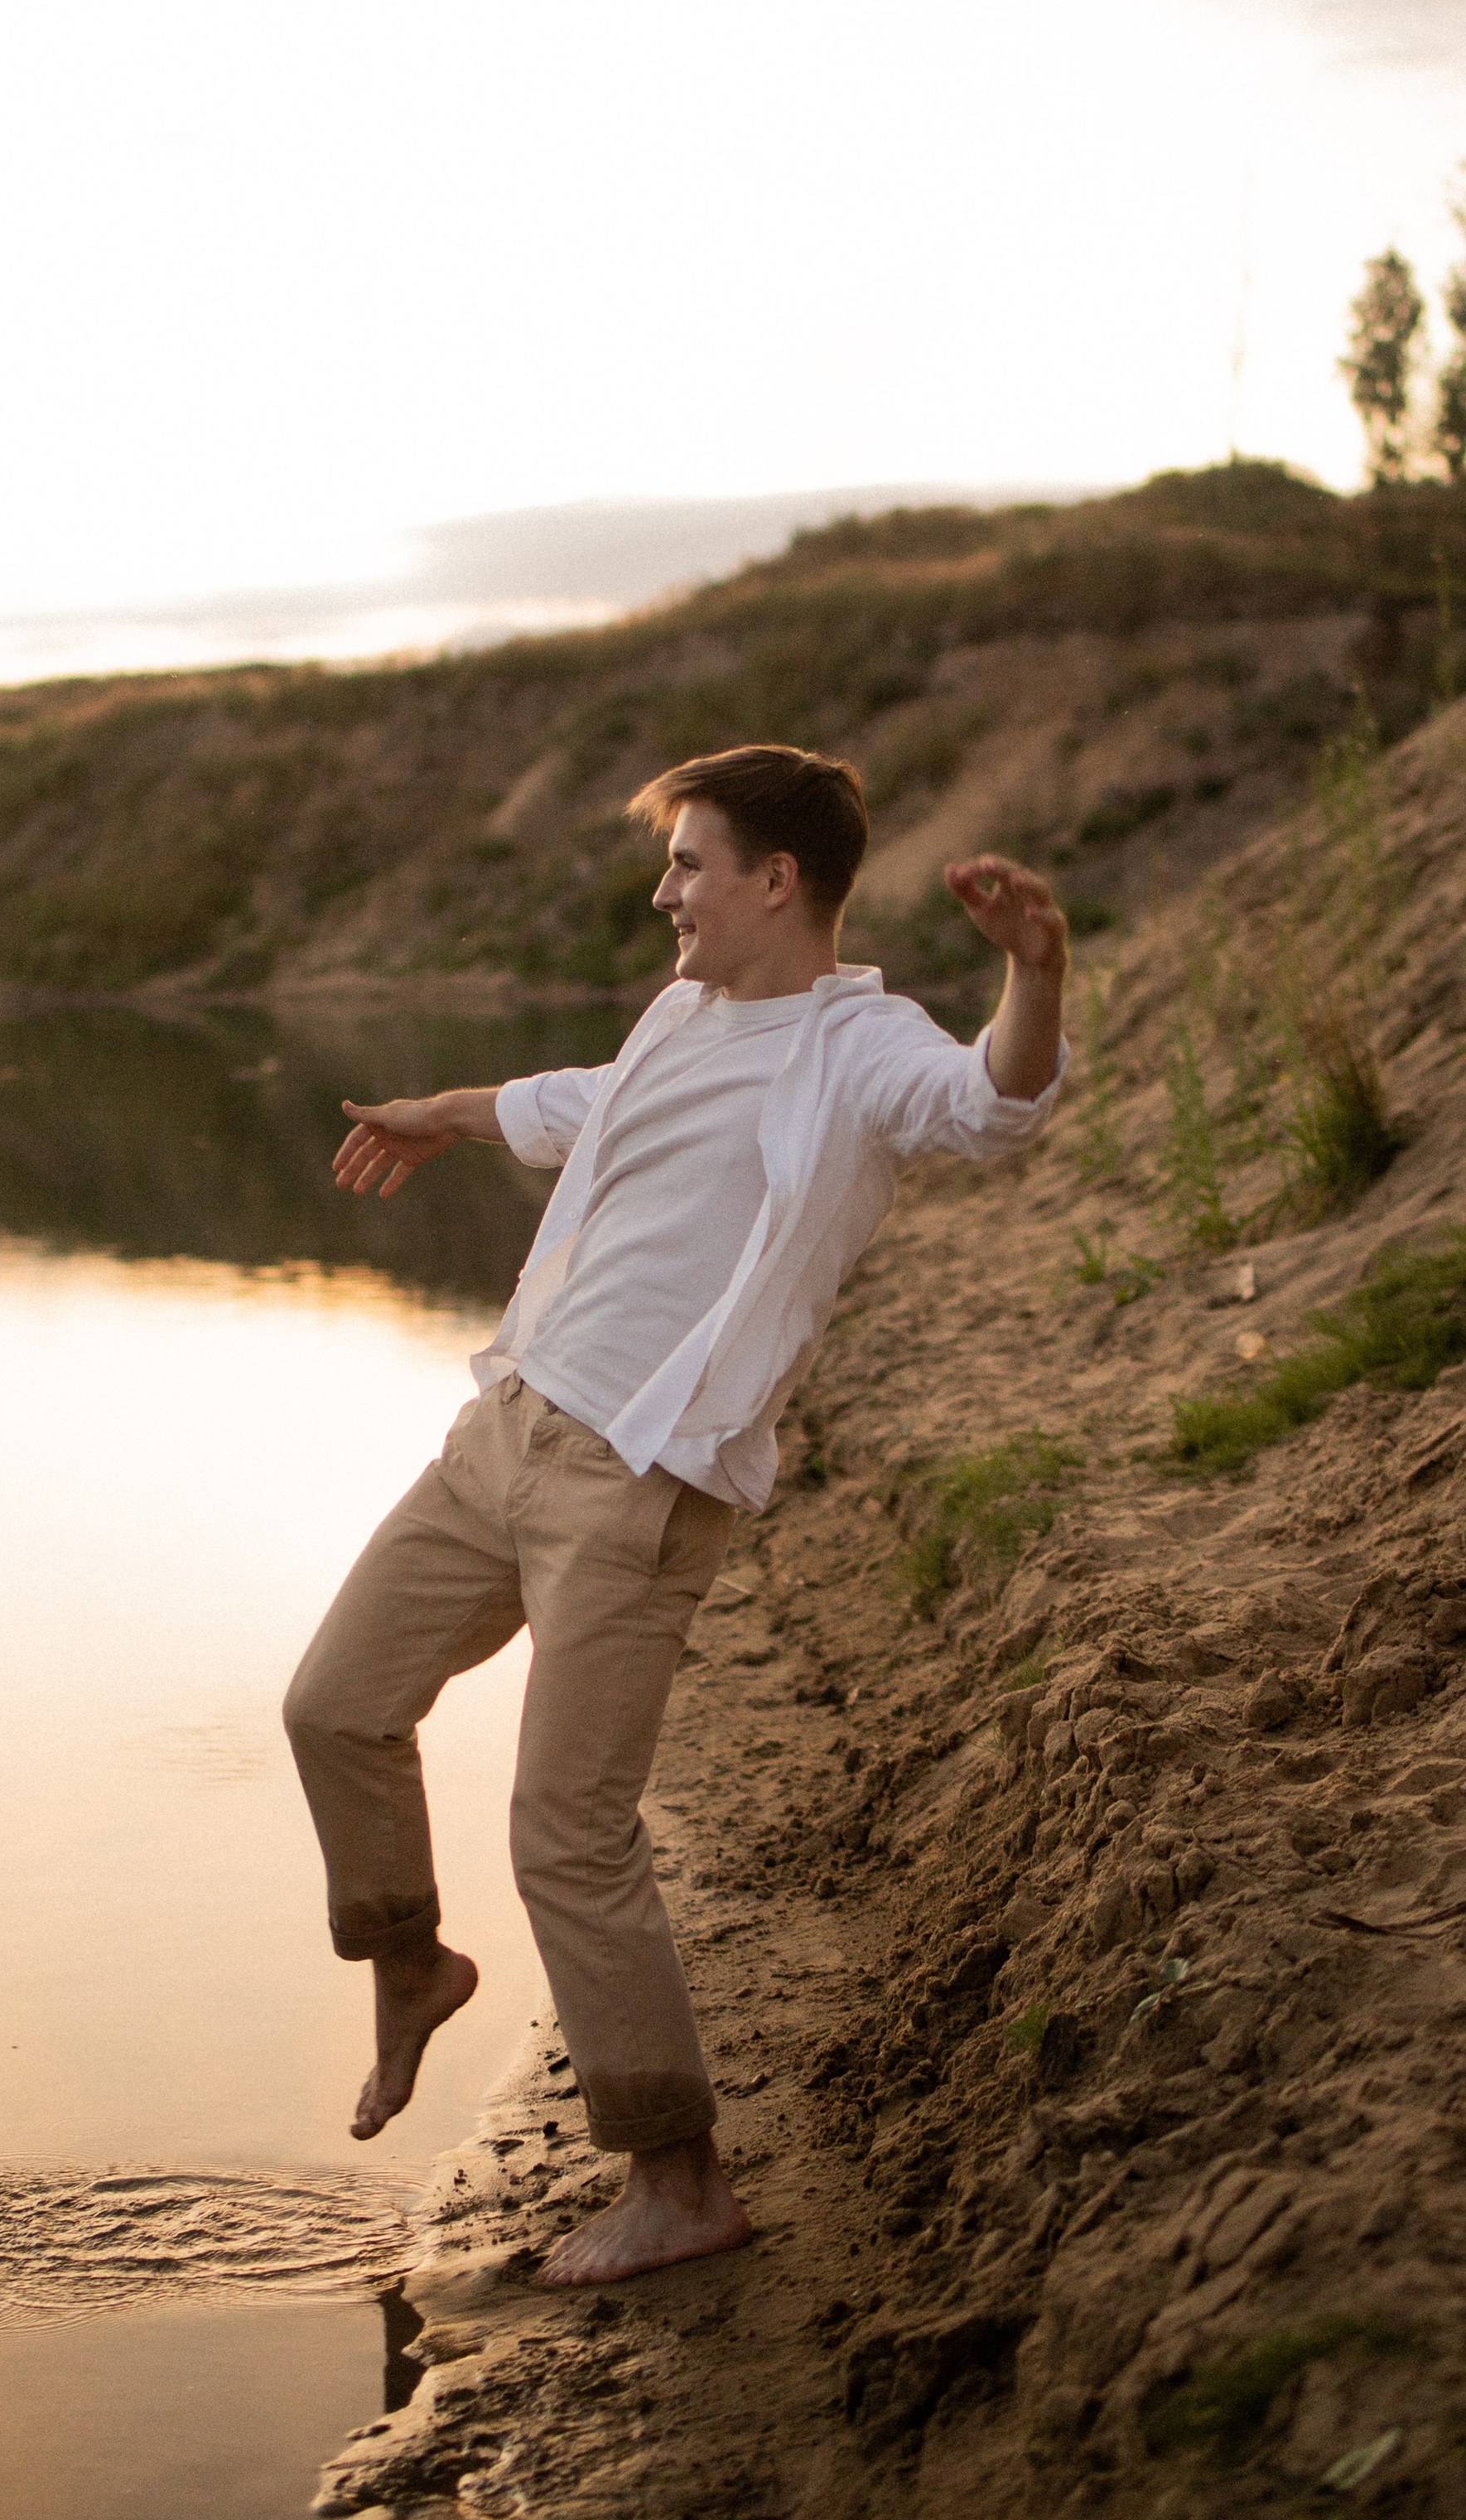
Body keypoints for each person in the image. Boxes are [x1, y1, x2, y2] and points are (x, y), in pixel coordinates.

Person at [282, 743, 1068, 2286]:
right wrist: (448, 1109)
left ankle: (678, 2175)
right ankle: (410, 1960)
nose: (665, 892)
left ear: (778, 882)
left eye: (691, 864)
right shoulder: (683, 1011)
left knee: (567, 1833)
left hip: (635, 1484)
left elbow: (991, 1107)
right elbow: (584, 1102)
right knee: (333, 1705)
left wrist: (1037, 975)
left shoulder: (861, 1050)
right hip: (502, 1435)